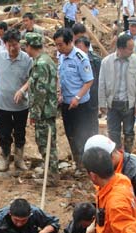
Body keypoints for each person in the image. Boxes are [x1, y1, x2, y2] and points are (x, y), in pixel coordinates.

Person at [0, 29, 33, 172]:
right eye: (9, 45)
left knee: (20, 133)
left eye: (15, 45)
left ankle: (19, 159)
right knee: (4, 133)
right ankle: (6, 158)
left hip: (21, 105)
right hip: (2, 104)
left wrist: (22, 90)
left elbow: (31, 78)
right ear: (4, 44)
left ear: (19, 43)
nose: (12, 48)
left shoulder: (27, 59)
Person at [20, 32, 59, 180]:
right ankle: (50, 170)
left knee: (45, 143)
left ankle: (52, 175)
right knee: (47, 141)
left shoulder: (41, 65)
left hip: (43, 112)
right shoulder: (45, 60)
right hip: (47, 110)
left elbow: (40, 92)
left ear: (30, 47)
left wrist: (35, 114)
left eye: (26, 46)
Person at [54, 28, 94, 166]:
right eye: (57, 45)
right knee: (70, 133)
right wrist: (60, 94)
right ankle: (77, 162)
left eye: (61, 45)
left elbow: (89, 81)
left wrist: (77, 97)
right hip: (66, 102)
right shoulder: (61, 57)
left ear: (70, 42)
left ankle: (85, 164)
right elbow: (61, 77)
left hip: (80, 104)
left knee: (81, 134)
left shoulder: (80, 58)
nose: (58, 48)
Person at [98, 34, 136, 151]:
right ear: (121, 49)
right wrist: (102, 103)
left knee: (129, 132)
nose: (132, 51)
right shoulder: (106, 62)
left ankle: (128, 157)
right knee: (113, 133)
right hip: (113, 104)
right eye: (130, 49)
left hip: (129, 104)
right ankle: (116, 157)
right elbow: (101, 84)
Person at [74, 36, 101, 136]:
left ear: (87, 47)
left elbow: (100, 79)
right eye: (76, 47)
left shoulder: (96, 60)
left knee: (92, 119)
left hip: (93, 94)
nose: (78, 50)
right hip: (80, 95)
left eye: (80, 47)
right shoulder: (74, 59)